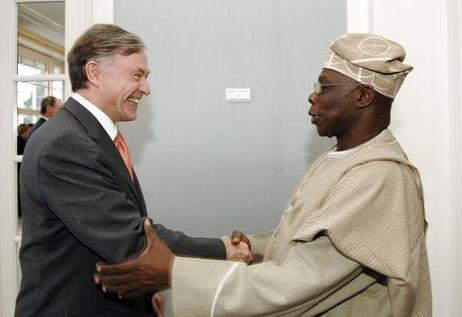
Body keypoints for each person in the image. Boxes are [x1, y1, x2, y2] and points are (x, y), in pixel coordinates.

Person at [95, 33, 432, 317]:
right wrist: (254, 247)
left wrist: (173, 271)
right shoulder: (343, 158)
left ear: (363, 96)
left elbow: (299, 281)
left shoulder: (378, 177)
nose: (313, 95)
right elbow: (312, 238)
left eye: (325, 85)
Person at [15, 24, 251, 317]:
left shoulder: (89, 135)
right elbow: (132, 239)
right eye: (137, 75)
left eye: (146, 77)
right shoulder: (66, 143)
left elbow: (112, 228)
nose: (146, 88)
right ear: (94, 73)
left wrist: (143, 296)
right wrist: (223, 250)